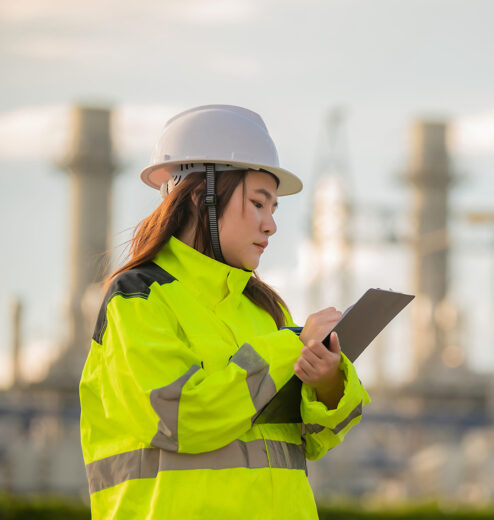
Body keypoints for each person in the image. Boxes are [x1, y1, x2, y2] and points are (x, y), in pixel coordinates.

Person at [79, 105, 370, 519]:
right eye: (257, 203)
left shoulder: (264, 309)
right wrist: (291, 345)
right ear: (202, 197)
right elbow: (181, 417)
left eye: (273, 209)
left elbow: (313, 439)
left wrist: (326, 382)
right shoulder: (138, 300)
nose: (271, 225)